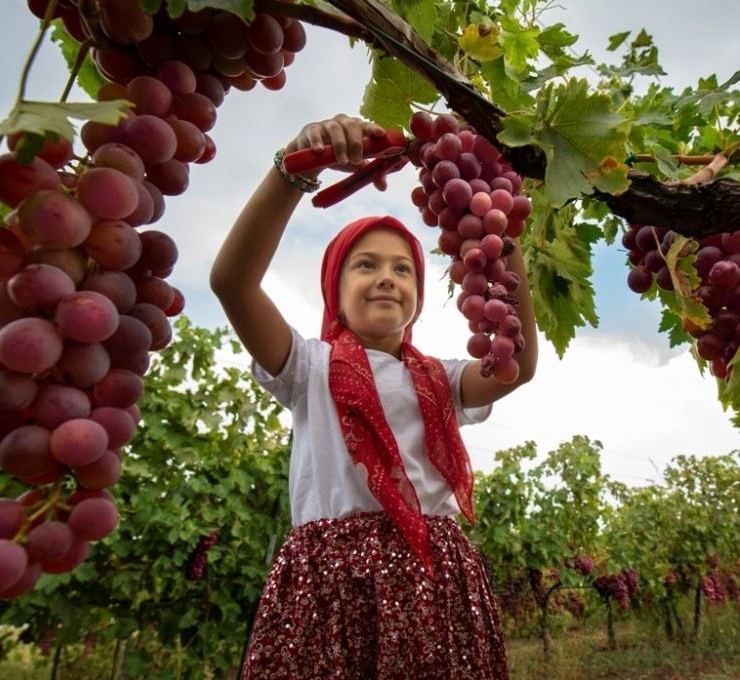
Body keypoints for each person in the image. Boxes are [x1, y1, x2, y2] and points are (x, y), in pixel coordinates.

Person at [210, 114, 538, 680]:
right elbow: (232, 281)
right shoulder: (307, 366)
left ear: (418, 293)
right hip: (335, 585)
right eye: (366, 265)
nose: (387, 277)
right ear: (333, 293)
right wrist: (292, 171)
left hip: (435, 578)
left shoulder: (440, 376)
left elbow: (517, 367)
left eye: (403, 269)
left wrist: (500, 234)